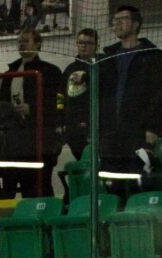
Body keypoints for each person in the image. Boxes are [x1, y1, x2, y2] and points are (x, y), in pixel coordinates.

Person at [97, 6, 162, 174]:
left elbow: (159, 93)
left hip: (137, 130)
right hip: (111, 133)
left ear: (136, 24)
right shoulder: (108, 58)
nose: (118, 23)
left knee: (137, 177)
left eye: (123, 19)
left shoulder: (151, 56)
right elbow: (101, 94)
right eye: (115, 20)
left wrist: (152, 127)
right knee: (111, 180)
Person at [0, 29, 61, 198]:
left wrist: (33, 109)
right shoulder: (10, 72)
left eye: (26, 40)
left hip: (39, 138)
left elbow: (56, 103)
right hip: (15, 139)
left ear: (38, 44)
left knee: (39, 184)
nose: (21, 44)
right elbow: (2, 102)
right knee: (11, 182)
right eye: (19, 41)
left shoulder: (50, 71)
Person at [57, 28, 98, 160]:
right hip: (72, 127)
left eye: (88, 43)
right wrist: (59, 120)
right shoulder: (70, 69)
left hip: (93, 125)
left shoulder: (102, 67)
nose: (84, 46)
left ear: (96, 45)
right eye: (80, 42)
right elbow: (60, 96)